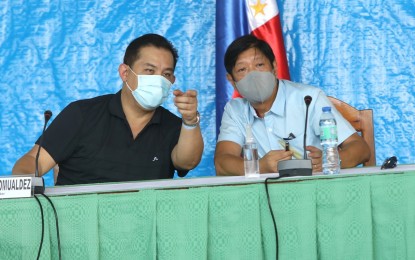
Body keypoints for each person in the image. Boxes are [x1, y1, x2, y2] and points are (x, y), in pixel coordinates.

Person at [12, 33, 204, 185]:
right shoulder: (81, 114)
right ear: (125, 73)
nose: (158, 79)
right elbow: (33, 161)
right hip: (77, 226)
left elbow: (186, 162)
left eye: (166, 74)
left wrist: (189, 121)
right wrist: (24, 186)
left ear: (172, 81)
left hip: (142, 229)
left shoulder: (173, 126)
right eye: (149, 70)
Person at [214, 35, 370, 176]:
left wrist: (329, 161)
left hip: (317, 190)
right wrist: (259, 166)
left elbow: (360, 149)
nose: (253, 75)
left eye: (259, 65)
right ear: (232, 81)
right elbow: (222, 163)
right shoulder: (235, 110)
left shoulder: (308, 99)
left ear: (274, 67)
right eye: (242, 69)